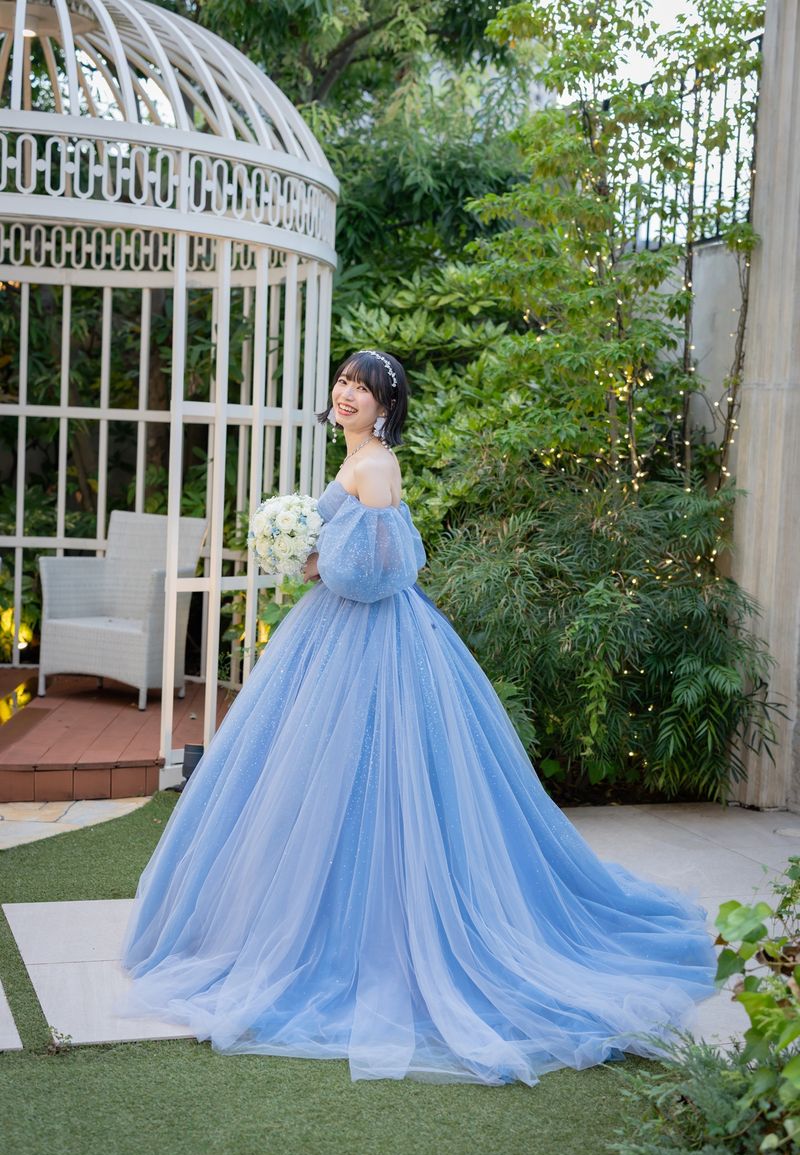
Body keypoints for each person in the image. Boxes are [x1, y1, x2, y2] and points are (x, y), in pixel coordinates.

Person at [120, 348, 716, 1087]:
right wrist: (308, 550)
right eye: (344, 381)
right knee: (321, 777)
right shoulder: (357, 458)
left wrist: (314, 559)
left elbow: (382, 572)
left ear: (386, 405)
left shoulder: (375, 464)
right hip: (337, 636)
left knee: (371, 773)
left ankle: (361, 936)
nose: (348, 394)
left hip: (371, 641)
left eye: (364, 389)